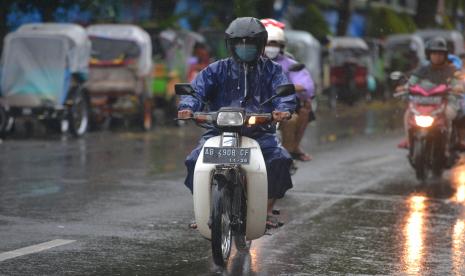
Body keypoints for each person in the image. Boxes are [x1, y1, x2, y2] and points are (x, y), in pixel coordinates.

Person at [177, 17, 296, 229]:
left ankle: (266, 211)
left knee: (279, 160)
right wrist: (187, 107)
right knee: (194, 160)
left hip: (260, 132)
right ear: (230, 46)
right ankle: (204, 208)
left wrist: (283, 110)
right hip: (217, 131)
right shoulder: (216, 70)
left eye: (249, 44)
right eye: (239, 44)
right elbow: (196, 91)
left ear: (260, 46)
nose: (244, 48)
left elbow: (284, 94)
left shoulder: (272, 70)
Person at [261, 19, 315, 162]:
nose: (270, 47)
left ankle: (289, 152)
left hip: (280, 105)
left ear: (281, 46)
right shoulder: (248, 62)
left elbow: (306, 86)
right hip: (251, 104)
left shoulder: (289, 64)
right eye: (267, 44)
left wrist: (287, 87)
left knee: (295, 116)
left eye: (274, 44)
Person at [398, 37, 464, 150]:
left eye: (440, 53)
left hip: (445, 103)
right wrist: (404, 88)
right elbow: (412, 81)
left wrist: (457, 87)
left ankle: (447, 145)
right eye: (434, 53)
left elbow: (457, 83)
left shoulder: (451, 70)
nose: (437, 56)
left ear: (444, 55)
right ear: (429, 54)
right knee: (408, 113)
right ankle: (409, 140)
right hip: (423, 103)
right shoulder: (422, 70)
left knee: (448, 115)